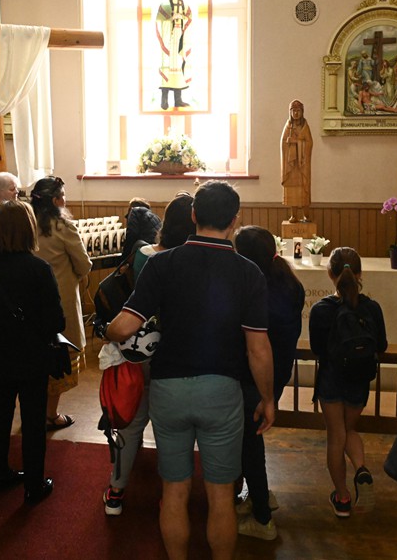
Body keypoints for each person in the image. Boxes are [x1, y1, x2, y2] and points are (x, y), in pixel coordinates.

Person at [104, 180, 275, 560]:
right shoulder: (248, 272)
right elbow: (258, 348)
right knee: (221, 496)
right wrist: (267, 398)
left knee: (175, 491)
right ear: (235, 220)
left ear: (194, 214)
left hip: (169, 390)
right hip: (222, 390)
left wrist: (108, 332)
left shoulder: (162, 264)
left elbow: (125, 326)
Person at [103, 192, 196, 516]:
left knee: (132, 422)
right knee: (172, 426)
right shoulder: (191, 262)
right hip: (178, 351)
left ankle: (116, 491)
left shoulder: (144, 254)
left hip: (139, 347)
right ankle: (173, 491)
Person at [0, 200, 64, 504]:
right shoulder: (39, 269)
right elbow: (56, 322)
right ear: (29, 229)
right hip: (32, 356)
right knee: (33, 419)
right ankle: (34, 485)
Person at [233, 225, 306, 540]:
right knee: (249, 438)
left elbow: (254, 346)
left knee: (250, 443)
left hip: (257, 376)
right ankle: (259, 496)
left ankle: (263, 518)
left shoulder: (255, 290)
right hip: (279, 371)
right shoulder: (288, 281)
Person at [309, 246, 387, 518]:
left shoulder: (321, 310)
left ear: (330, 274)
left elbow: (317, 348)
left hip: (331, 378)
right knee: (350, 429)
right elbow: (382, 345)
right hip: (359, 379)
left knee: (336, 436)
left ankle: (342, 498)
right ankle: (361, 469)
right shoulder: (371, 308)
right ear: (360, 274)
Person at [29, 176, 92, 430]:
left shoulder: (25, 222)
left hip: (30, 300)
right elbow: (84, 264)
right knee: (57, 355)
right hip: (59, 298)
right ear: (55, 201)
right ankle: (50, 414)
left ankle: (33, 412)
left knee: (35, 355)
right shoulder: (62, 226)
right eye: (63, 195)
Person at [156, 0, 192, 110]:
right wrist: (170, 19)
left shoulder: (185, 6)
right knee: (167, 65)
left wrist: (181, 17)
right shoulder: (164, 5)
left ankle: (178, 99)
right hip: (169, 39)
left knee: (179, 66)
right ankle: (164, 100)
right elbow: (159, 21)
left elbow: (189, 20)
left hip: (180, 38)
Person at [280, 99, 313, 223]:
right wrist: (288, 143)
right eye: (293, 111)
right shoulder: (288, 127)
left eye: (298, 110)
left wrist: (297, 142)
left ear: (302, 112)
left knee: (303, 189)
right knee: (292, 190)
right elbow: (283, 143)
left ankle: (306, 215)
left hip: (302, 165)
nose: (296, 113)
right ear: (290, 112)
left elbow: (309, 143)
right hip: (291, 165)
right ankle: (293, 215)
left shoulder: (305, 127)